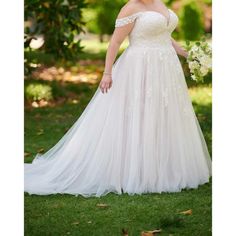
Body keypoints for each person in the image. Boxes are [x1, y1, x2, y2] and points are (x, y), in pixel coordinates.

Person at [24, 0, 212, 197]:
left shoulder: (159, 3)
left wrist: (185, 53)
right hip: (140, 67)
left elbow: (164, 35)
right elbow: (115, 42)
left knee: (162, 114)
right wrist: (107, 73)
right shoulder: (131, 8)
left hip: (165, 68)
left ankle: (164, 168)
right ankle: (133, 171)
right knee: (139, 114)